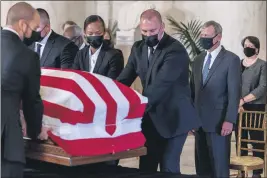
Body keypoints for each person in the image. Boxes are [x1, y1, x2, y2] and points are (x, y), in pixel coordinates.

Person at [117, 9, 201, 174]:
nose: (148, 35)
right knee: (146, 167)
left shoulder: (175, 50)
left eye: (153, 31)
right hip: (152, 117)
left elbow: (158, 88)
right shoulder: (138, 48)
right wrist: (107, 95)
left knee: (168, 167)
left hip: (174, 118)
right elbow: (125, 78)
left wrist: (132, 110)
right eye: (144, 31)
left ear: (162, 27)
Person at [190, 20, 241, 178]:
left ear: (218, 37)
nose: (203, 38)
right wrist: (190, 119)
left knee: (219, 167)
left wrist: (229, 120)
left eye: (207, 35)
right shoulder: (198, 59)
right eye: (202, 35)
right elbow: (192, 91)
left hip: (219, 123)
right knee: (202, 167)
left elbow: (234, 93)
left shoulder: (231, 60)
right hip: (199, 123)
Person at [1, 2, 44, 177]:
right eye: (34, 27)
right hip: (6, 139)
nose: (36, 32)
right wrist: (36, 130)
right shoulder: (27, 55)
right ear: (22, 24)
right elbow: (31, 100)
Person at [236, 36, 266, 178]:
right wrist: (237, 102)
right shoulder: (237, 63)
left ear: (257, 49)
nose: (247, 47)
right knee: (240, 139)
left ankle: (257, 173)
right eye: (245, 44)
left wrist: (243, 100)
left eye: (250, 45)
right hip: (238, 107)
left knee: (255, 139)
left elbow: (263, 87)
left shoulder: (262, 65)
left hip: (255, 107)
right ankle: (241, 171)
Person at [72, 15, 124, 80]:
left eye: (98, 33)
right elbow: (75, 77)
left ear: (104, 32)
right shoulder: (80, 54)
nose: (94, 36)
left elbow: (112, 82)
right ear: (84, 33)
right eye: (90, 34)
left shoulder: (114, 55)